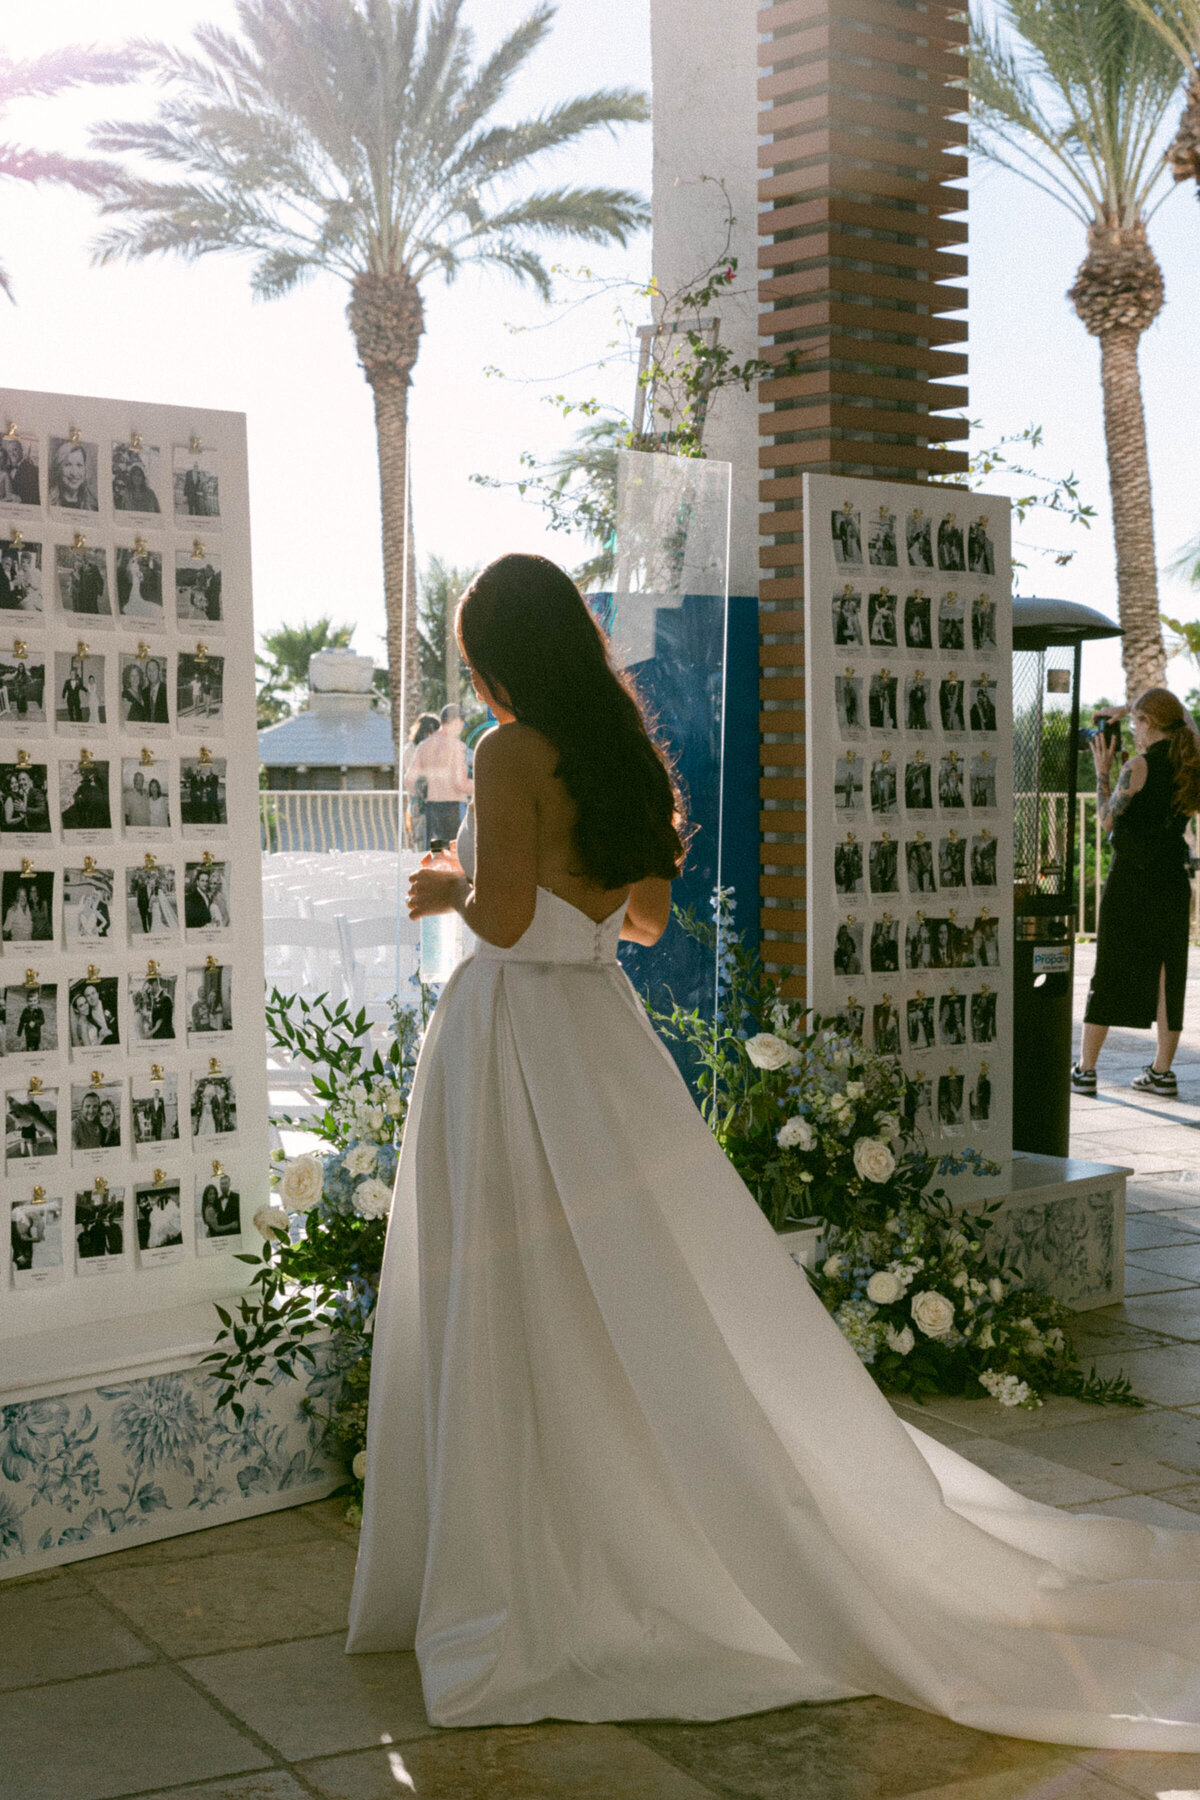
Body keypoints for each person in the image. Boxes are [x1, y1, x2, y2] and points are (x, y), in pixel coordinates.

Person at [346, 552, 1200, 1747]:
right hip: (602, 1036)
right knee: (632, 1279)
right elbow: (641, 921)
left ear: (498, 658)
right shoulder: (621, 753)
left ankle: (523, 1553)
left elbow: (496, 919)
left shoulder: (504, 752)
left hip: (513, 1037)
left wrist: (445, 885)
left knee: (507, 1280)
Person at [1074, 690, 1200, 1097]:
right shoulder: (1190, 761)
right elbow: (1185, 720)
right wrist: (1135, 706)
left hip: (1130, 878)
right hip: (1171, 879)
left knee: (1109, 965)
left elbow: (1107, 821)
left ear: (1148, 723)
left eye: (1135, 722)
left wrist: (1102, 770)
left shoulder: (1138, 766)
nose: (1131, 729)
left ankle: (1086, 1069)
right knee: (1169, 974)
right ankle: (1162, 1072)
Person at [403, 703, 473, 847]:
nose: (461, 728)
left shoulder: (424, 745)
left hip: (432, 810)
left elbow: (409, 780)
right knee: (454, 858)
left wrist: (420, 794)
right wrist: (484, 787)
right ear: (456, 721)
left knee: (437, 856)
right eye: (461, 724)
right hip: (454, 810)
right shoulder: (457, 747)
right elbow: (460, 784)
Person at [50, 441, 97, 511]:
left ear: (85, 469)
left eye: (79, 465)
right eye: (68, 464)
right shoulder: (47, 501)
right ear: (59, 468)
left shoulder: (94, 506)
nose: (74, 473)